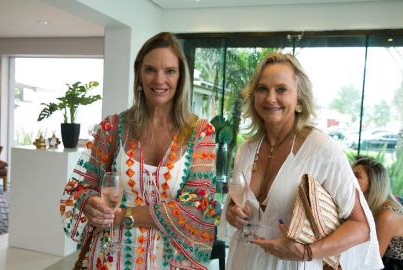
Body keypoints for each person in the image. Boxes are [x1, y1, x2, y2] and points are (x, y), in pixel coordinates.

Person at [60, 32, 219, 270]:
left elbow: (196, 205)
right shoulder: (112, 127)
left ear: (181, 77)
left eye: (170, 71)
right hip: (109, 259)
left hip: (173, 262)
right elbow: (80, 188)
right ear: (139, 74)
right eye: (150, 69)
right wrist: (89, 202)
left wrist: (124, 215)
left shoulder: (201, 133)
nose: (159, 80)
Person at [218, 52, 383, 269]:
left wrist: (307, 252)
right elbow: (235, 205)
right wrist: (233, 214)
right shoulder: (247, 149)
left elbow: (361, 227)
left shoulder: (321, 149)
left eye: (281, 89)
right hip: (243, 260)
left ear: (299, 100)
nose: (270, 98)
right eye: (262, 89)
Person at [353, 157, 403, 269]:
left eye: (356, 176)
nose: (350, 178)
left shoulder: (387, 214)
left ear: (373, 182)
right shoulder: (369, 205)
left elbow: (372, 262)